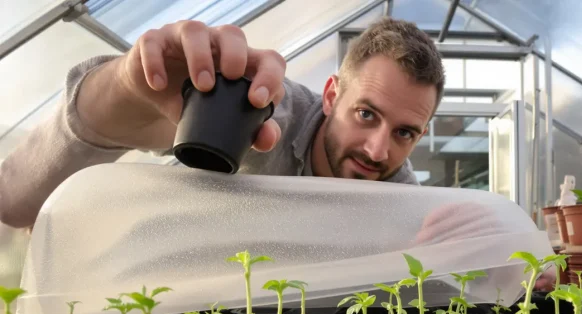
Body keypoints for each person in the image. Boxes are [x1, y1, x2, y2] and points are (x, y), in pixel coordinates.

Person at [0, 17, 444, 229]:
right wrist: (118, 97)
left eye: (405, 132)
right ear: (331, 96)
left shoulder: (403, 198)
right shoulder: (259, 110)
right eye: (366, 115)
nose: (378, 151)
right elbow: (14, 203)